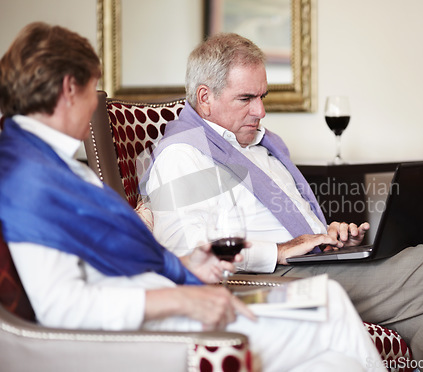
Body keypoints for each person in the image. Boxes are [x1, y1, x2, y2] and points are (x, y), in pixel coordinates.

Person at [0, 23, 388, 372]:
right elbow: (63, 308)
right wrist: (181, 301)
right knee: (330, 304)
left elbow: (115, 257)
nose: (93, 106)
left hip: (170, 301)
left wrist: (187, 263)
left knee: (335, 353)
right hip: (152, 330)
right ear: (70, 88)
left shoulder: (58, 167)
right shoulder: (29, 181)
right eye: (91, 90)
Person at [142, 33, 423, 371]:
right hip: (268, 282)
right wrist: (281, 250)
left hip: (315, 263)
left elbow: (292, 220)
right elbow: (186, 252)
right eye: (246, 99)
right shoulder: (184, 156)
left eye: (262, 96)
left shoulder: (261, 147)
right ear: (205, 98)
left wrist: (329, 236)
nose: (261, 111)